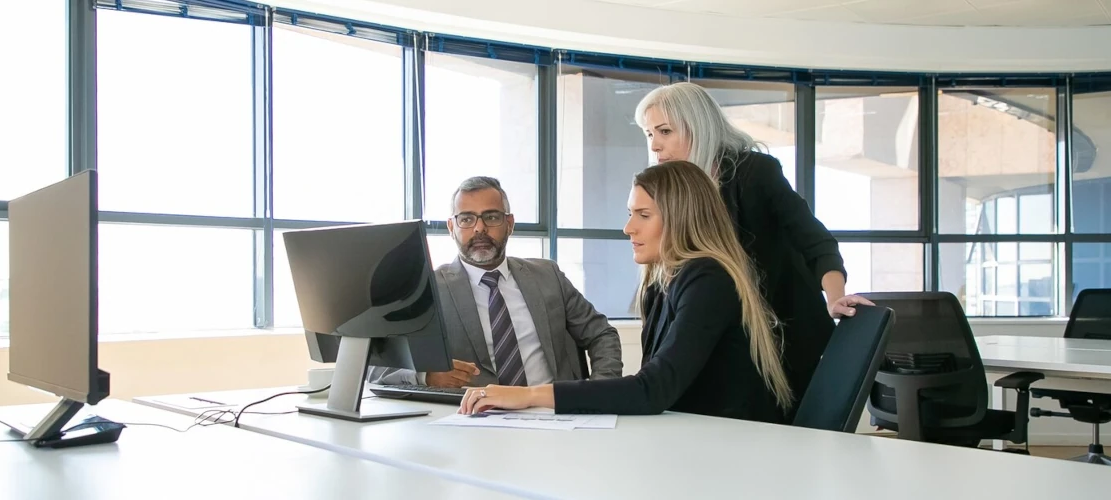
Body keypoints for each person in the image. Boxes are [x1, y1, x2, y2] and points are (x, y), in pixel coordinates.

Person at [459, 161, 791, 422]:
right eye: (630, 214)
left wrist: (529, 395)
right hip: (690, 436)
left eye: (643, 215)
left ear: (681, 218)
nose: (628, 228)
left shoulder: (709, 280)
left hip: (732, 448)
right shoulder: (661, 284)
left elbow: (652, 390)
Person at [634, 82, 872, 419]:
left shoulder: (754, 173)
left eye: (665, 131)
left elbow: (815, 240)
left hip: (780, 335)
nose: (655, 145)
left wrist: (835, 297)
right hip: (727, 338)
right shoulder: (676, 193)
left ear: (698, 126)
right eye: (649, 134)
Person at [369, 176, 623, 388]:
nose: (479, 228)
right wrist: (426, 377)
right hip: (472, 420)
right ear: (451, 227)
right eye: (466, 219)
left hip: (553, 412)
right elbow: (375, 367)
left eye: (491, 217)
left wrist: (598, 391)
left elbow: (602, 334)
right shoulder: (427, 290)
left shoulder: (548, 275)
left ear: (509, 224)